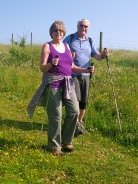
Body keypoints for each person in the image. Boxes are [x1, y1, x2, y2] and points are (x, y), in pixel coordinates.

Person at [27, 20, 94, 156]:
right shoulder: (47, 46)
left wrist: (86, 69)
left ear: (64, 32)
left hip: (68, 84)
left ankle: (66, 141)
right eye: (56, 30)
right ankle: (54, 147)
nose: (58, 32)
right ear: (51, 32)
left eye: (61, 30)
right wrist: (51, 64)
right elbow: (42, 68)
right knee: (56, 116)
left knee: (74, 111)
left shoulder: (66, 46)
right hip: (53, 84)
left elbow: (71, 67)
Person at [63, 19, 108, 136]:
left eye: (86, 26)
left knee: (84, 101)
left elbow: (96, 56)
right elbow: (62, 51)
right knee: (75, 100)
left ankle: (79, 122)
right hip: (72, 74)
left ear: (88, 28)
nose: (83, 28)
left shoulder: (90, 41)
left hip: (86, 75)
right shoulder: (70, 38)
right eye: (81, 25)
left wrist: (103, 55)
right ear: (77, 26)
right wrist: (69, 56)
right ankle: (73, 124)